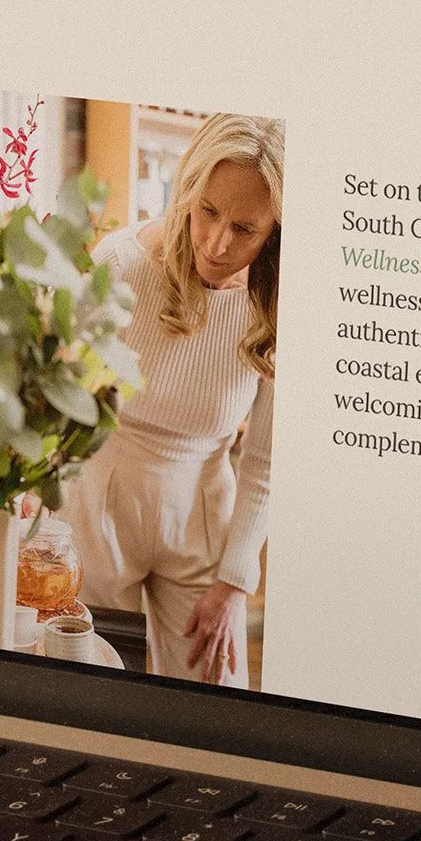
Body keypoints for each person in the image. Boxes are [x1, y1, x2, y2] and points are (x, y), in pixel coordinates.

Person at [65, 114, 282, 687]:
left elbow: (263, 459)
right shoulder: (121, 264)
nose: (216, 244)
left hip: (201, 516)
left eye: (245, 229)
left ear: (275, 232)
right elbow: (61, 394)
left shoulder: (279, 305)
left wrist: (236, 582)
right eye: (208, 212)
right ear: (186, 191)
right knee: (95, 692)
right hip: (98, 499)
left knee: (217, 701)